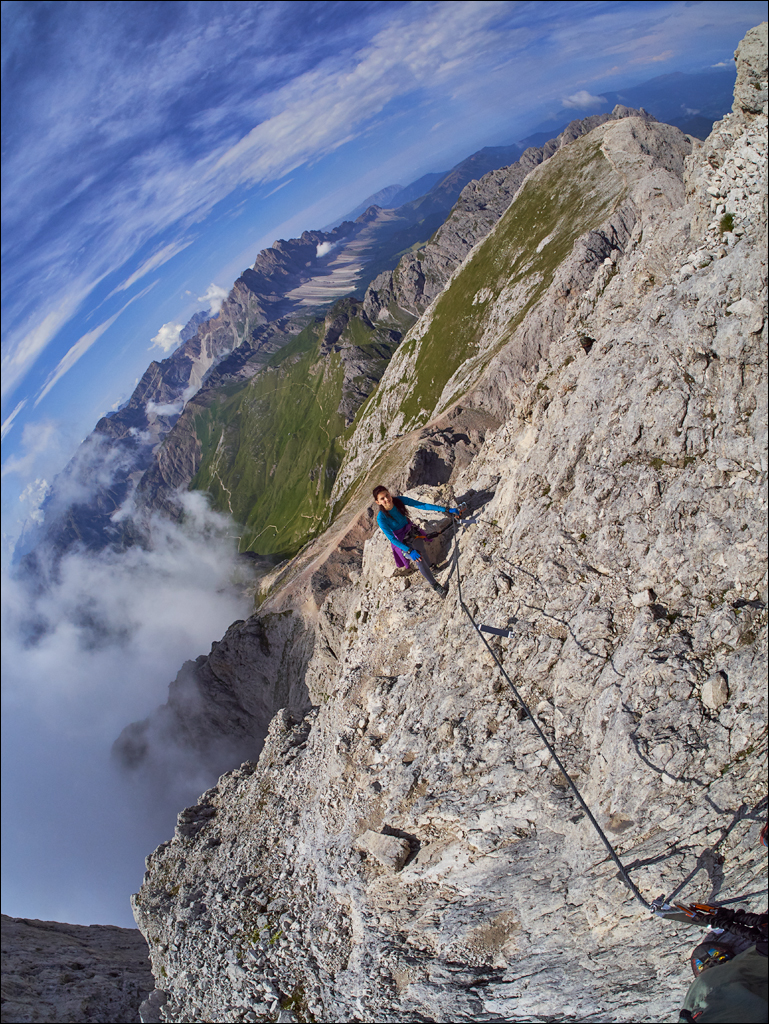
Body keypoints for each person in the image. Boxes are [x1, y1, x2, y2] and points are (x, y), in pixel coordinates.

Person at [373, 485, 462, 598]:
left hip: (411, 532)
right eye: (382, 498)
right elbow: (392, 539)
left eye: (387, 495)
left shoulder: (399, 501)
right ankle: (435, 585)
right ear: (378, 502)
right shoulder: (381, 518)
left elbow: (422, 505)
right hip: (402, 542)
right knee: (418, 559)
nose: (387, 499)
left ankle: (431, 567)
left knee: (422, 550)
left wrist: (446, 509)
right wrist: (409, 550)